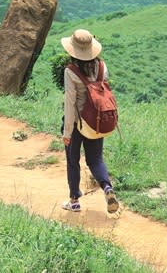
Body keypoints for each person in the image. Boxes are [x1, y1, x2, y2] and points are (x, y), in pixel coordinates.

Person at [60, 28, 120, 214]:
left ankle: (74, 201)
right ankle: (107, 188)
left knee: (73, 160)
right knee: (95, 159)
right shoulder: (102, 67)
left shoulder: (70, 72)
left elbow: (70, 103)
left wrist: (67, 132)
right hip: (97, 121)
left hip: (78, 123)